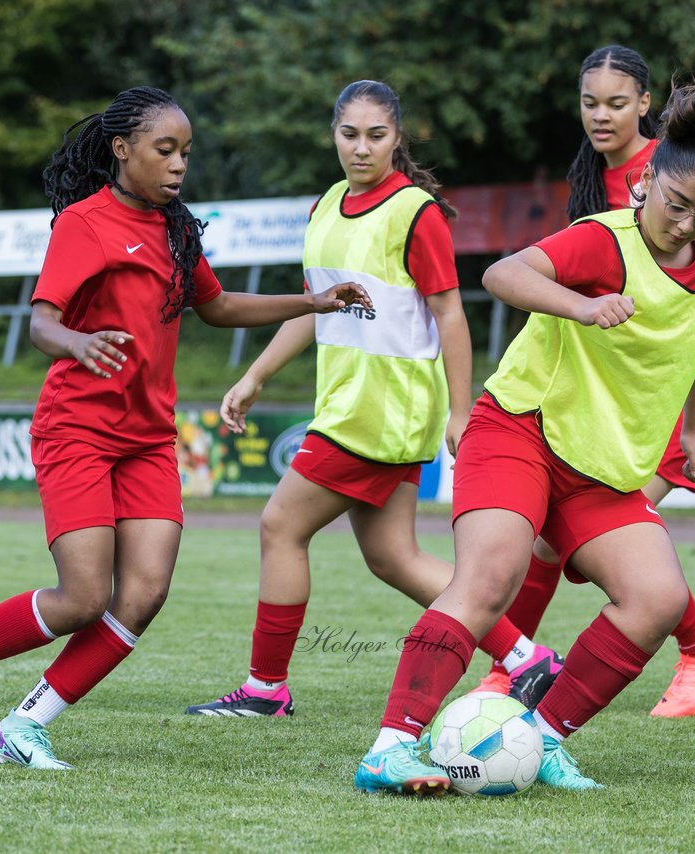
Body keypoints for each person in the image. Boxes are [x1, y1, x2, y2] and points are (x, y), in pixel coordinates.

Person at [0, 85, 371, 770]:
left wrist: (313, 301)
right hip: (77, 430)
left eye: (185, 152)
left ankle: (24, 727)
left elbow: (219, 305)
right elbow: (40, 321)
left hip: (148, 437)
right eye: (165, 150)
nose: (179, 164)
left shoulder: (175, 228)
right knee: (84, 597)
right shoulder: (84, 224)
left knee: (144, 593)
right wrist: (76, 343)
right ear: (122, 150)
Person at [354, 82, 695, 795]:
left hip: (601, 467)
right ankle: (391, 746)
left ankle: (538, 741)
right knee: (490, 577)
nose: (687, 227)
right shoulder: (606, 238)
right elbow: (503, 273)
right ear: (649, 182)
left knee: (658, 599)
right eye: (679, 205)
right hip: (522, 430)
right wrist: (583, 303)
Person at [183, 80, 559, 721]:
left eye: (376, 136)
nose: (361, 148)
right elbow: (313, 310)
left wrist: (460, 411)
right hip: (352, 407)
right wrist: (255, 377)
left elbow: (452, 317)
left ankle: (265, 689)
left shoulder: (416, 212)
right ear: (333, 134)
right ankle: (528, 661)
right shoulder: (324, 207)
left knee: (280, 525)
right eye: (349, 134)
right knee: (394, 558)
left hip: (381, 413)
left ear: (397, 138)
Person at [471, 45, 695, 719]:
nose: (601, 115)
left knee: (620, 555)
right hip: (592, 399)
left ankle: (684, 655)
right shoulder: (596, 179)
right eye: (589, 102)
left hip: (638, 414)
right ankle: (511, 672)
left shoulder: (669, 174)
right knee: (552, 541)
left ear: (646, 107)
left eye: (617, 103)